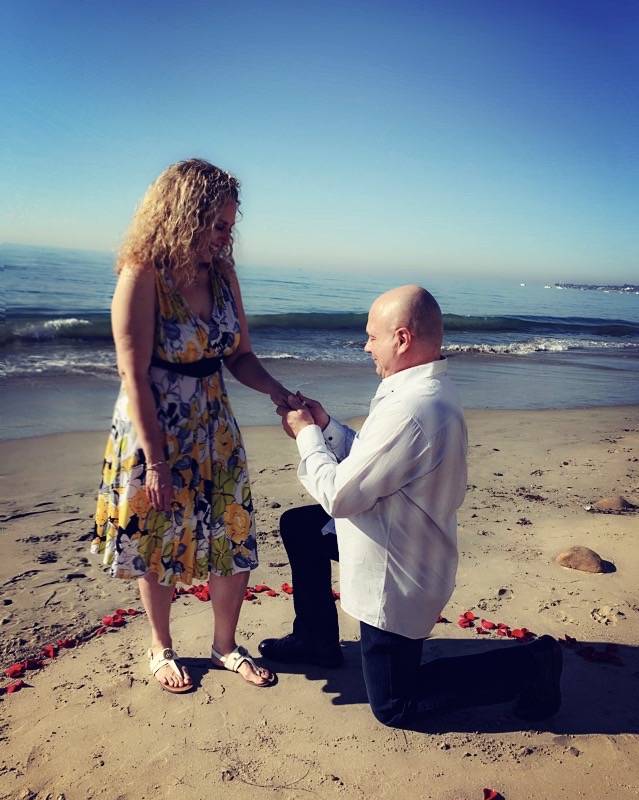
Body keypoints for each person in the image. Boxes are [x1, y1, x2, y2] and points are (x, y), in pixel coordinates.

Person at [259, 285, 563, 727]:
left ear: (401, 339)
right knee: (301, 526)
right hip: (398, 535)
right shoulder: (421, 390)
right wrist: (324, 426)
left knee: (395, 705)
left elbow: (341, 496)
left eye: (371, 336)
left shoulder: (414, 408)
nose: (364, 346)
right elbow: (372, 457)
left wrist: (306, 436)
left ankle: (533, 666)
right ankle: (315, 639)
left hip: (397, 570)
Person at [91, 159, 292, 693]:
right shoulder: (143, 274)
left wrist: (279, 392)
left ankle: (226, 646)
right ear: (186, 216)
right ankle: (160, 646)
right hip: (155, 428)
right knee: (158, 536)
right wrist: (155, 462)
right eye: (219, 224)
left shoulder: (222, 274)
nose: (228, 236)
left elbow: (240, 355)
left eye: (230, 224)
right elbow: (132, 374)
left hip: (215, 426)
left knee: (233, 528)